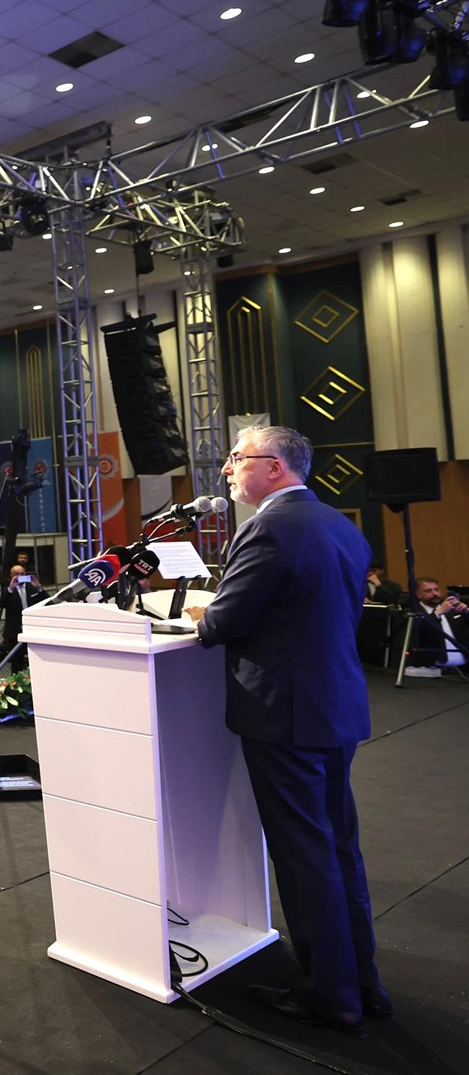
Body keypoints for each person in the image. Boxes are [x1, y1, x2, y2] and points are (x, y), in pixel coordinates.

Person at [184, 425, 387, 1030]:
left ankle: (331, 995)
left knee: (304, 855)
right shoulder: (341, 525)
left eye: (236, 458)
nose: (226, 469)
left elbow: (224, 623)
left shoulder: (267, 527)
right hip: (334, 705)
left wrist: (202, 612)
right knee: (338, 848)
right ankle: (363, 983)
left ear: (274, 466)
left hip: (284, 714)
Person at [404, 577, 466, 676]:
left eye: (436, 589)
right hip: (434, 671)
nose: (435, 594)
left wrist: (466, 611)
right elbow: (417, 630)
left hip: (464, 669)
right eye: (428, 591)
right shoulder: (412, 613)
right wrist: (437, 613)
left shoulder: (452, 610)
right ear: (417, 594)